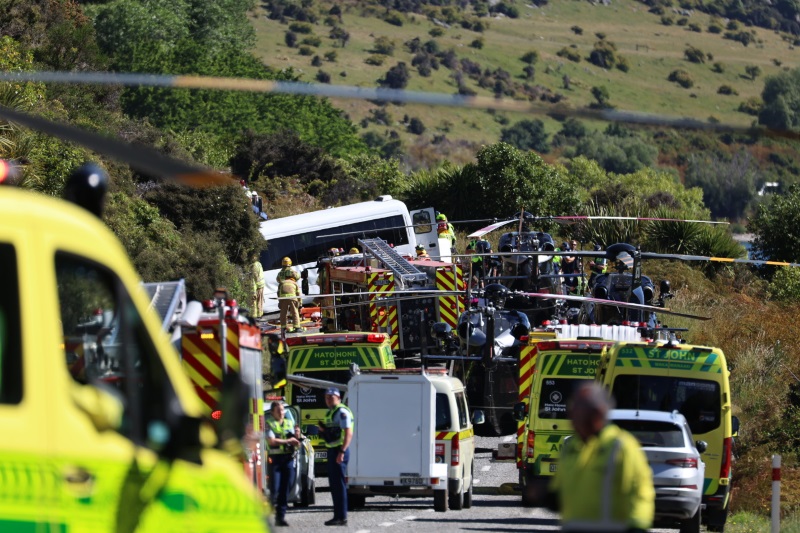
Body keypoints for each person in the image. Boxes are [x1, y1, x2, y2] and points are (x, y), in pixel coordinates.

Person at [546, 382, 654, 533]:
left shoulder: (622, 446)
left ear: (598, 414)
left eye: (578, 413)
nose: (572, 420)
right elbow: (557, 494)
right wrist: (539, 494)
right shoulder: (572, 447)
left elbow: (639, 492)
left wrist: (637, 527)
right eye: (571, 412)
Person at [319, 387, 354, 527]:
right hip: (332, 450)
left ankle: (342, 517)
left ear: (338, 398)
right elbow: (333, 432)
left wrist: (342, 451)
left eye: (331, 397)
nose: (328, 399)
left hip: (339, 451)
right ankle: (337, 516)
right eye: (326, 397)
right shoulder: (330, 413)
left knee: (339, 485)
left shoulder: (342, 412)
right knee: (334, 485)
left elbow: (348, 433)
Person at [265, 402, 301, 527]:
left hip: (288, 459)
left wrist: (297, 435)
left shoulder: (289, 423)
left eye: (282, 410)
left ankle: (280, 517)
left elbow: (295, 439)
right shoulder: (269, 423)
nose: (281, 412)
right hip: (275, 460)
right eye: (278, 410)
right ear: (272, 413)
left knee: (286, 488)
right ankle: (267, 516)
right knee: (274, 489)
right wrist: (288, 441)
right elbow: (271, 441)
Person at [250, 252, 265, 319]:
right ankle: (260, 314)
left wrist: (253, 291)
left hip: (257, 287)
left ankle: (256, 316)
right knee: (260, 301)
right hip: (261, 285)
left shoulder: (253, 266)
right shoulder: (259, 264)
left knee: (255, 302)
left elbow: (253, 280)